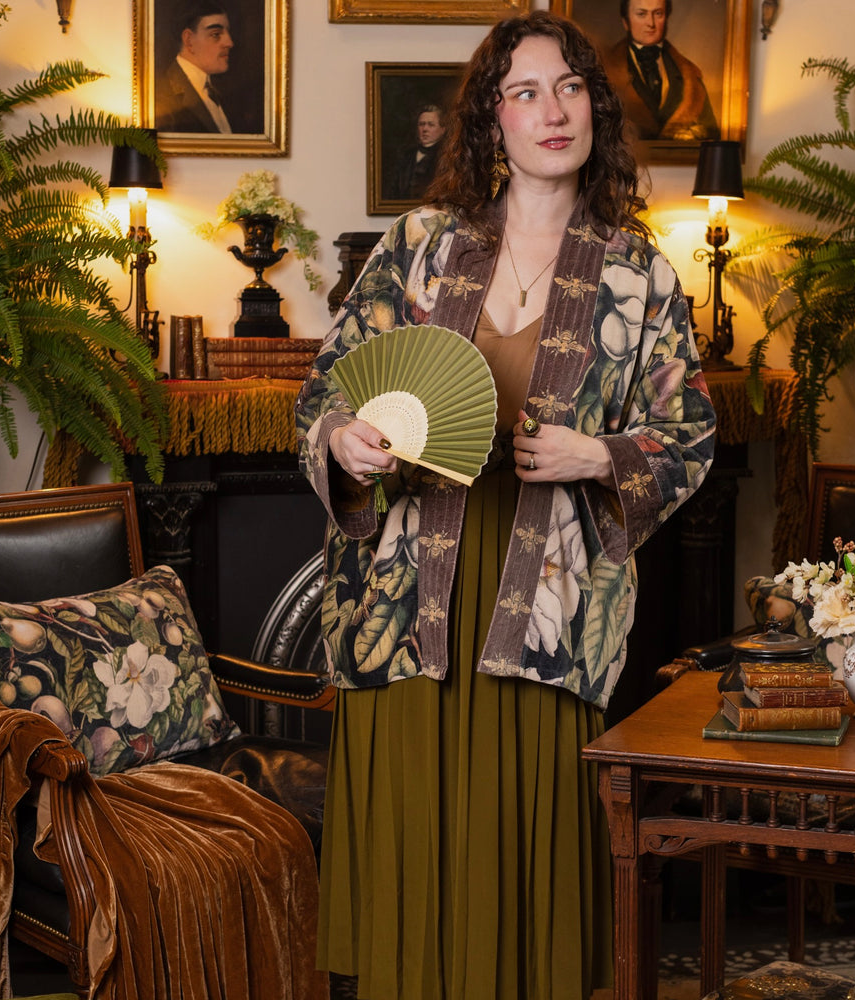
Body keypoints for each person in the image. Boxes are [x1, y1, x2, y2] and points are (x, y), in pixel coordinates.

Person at [295, 10, 715, 1000]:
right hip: (407, 601)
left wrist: (598, 451)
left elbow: (689, 435)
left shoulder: (638, 271)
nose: (551, 109)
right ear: (493, 119)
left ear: (594, 108)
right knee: (413, 848)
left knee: (527, 864)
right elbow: (327, 393)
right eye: (524, 92)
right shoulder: (418, 246)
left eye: (569, 86)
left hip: (549, 609)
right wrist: (345, 441)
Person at [605, 0, 719, 142]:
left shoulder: (691, 76)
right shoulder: (605, 71)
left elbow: (711, 135)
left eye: (658, 14)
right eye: (641, 14)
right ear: (625, 22)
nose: (651, 23)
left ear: (667, 18)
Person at [155, 1, 237, 134]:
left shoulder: (219, 93)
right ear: (188, 40)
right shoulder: (162, 95)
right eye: (216, 34)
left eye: (228, 32)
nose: (229, 43)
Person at [392, 104, 447, 200]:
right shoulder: (406, 156)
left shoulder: (446, 157)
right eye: (422, 124)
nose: (425, 129)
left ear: (442, 130)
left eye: (431, 125)